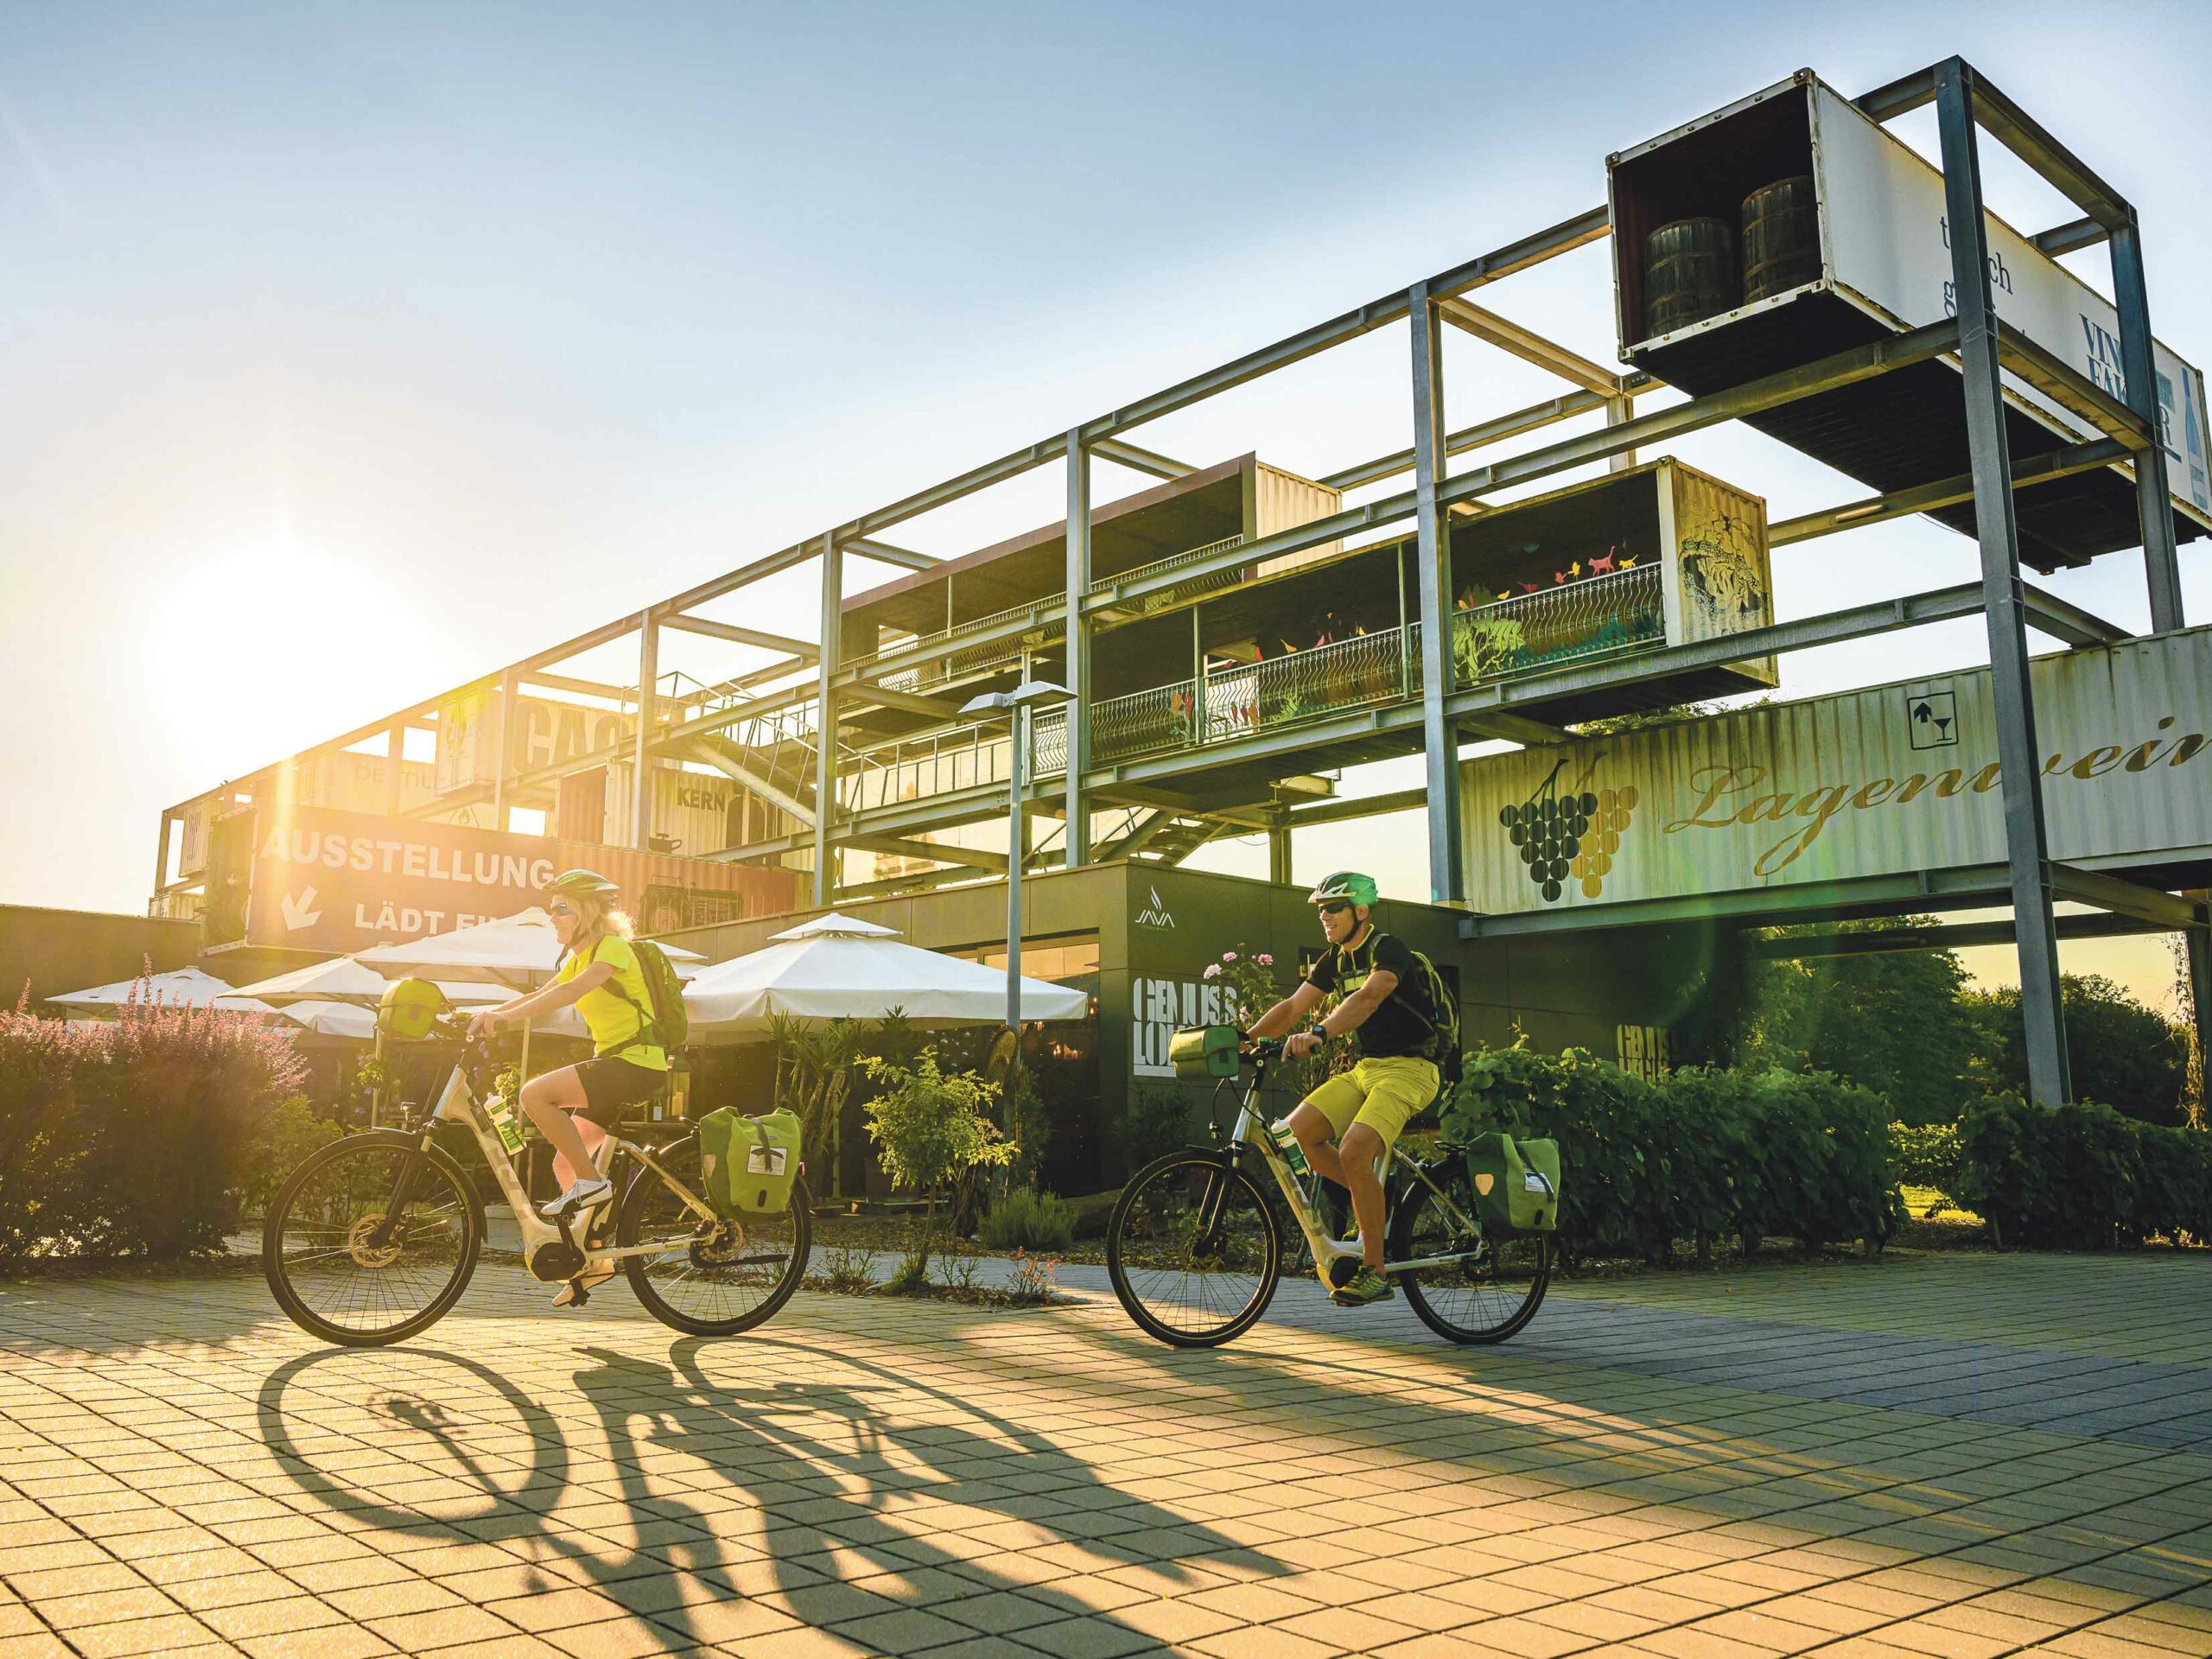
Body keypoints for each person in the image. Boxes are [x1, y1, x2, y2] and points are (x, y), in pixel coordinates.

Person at [467, 869, 670, 1306]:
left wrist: (505, 1020)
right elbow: (544, 991)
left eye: (561, 908)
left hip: (635, 1061)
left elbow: (572, 992)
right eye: (550, 908)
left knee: (534, 1094)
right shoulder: (580, 955)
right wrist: (488, 1012)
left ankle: (594, 1185)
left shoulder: (612, 948)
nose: (552, 917)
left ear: (587, 911)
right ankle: (595, 1258)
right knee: (565, 1166)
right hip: (617, 1063)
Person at [1243, 871, 1442, 1308]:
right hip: (1368, 1068)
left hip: (1412, 1069)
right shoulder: (1334, 959)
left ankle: (1375, 1270)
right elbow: (1294, 1005)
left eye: (1333, 907)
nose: (1325, 916)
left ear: (1361, 911)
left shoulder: (1387, 949)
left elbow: (1369, 998)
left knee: (1354, 1151)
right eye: (1321, 909)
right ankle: (1371, 1199)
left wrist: (1320, 1032)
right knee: (1298, 1134)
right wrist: (1245, 1040)